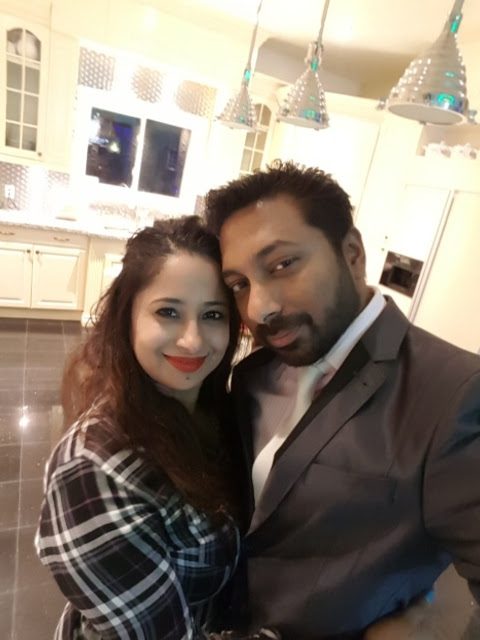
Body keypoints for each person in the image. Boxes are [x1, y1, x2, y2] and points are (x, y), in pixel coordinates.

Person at [204, 161, 480, 639]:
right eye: (239, 284)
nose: (259, 308)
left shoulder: (453, 393)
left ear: (352, 253)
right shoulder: (252, 375)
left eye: (283, 264)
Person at [35, 217, 247, 639]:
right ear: (127, 317)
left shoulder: (222, 412)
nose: (192, 340)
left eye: (212, 314)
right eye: (168, 312)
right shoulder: (93, 469)